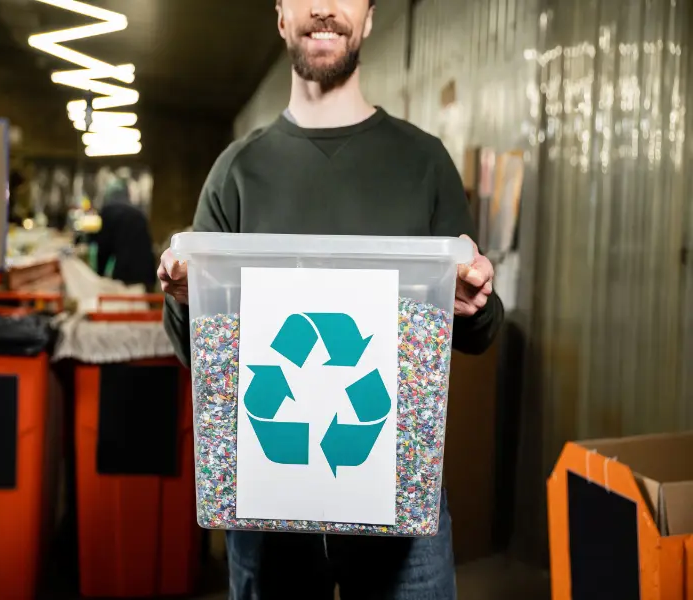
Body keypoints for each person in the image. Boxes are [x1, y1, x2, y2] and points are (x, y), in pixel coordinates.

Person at [159, 0, 503, 598]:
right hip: (266, 502)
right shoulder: (236, 172)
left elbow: (477, 331)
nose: (323, 8)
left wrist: (475, 299)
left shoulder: (422, 164)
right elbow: (199, 353)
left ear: (369, 16)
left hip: (401, 499)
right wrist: (187, 295)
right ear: (280, 15)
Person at [94, 178, 156, 292]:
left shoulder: (108, 212)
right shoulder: (136, 213)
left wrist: (99, 275)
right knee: (143, 305)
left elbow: (104, 247)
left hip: (127, 273)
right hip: (148, 272)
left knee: (128, 305)